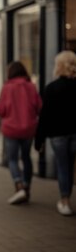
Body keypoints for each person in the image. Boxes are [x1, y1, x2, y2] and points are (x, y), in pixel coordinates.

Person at [35, 50, 76, 216]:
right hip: (74, 133)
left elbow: (45, 116)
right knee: (70, 166)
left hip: (57, 135)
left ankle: (65, 201)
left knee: (63, 167)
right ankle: (66, 198)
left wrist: (39, 140)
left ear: (59, 66)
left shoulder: (51, 88)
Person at [0, 61, 42, 205]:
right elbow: (39, 107)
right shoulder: (31, 86)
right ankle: (26, 187)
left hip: (11, 129)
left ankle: (19, 185)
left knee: (13, 159)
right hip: (28, 129)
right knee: (26, 157)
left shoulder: (7, 88)